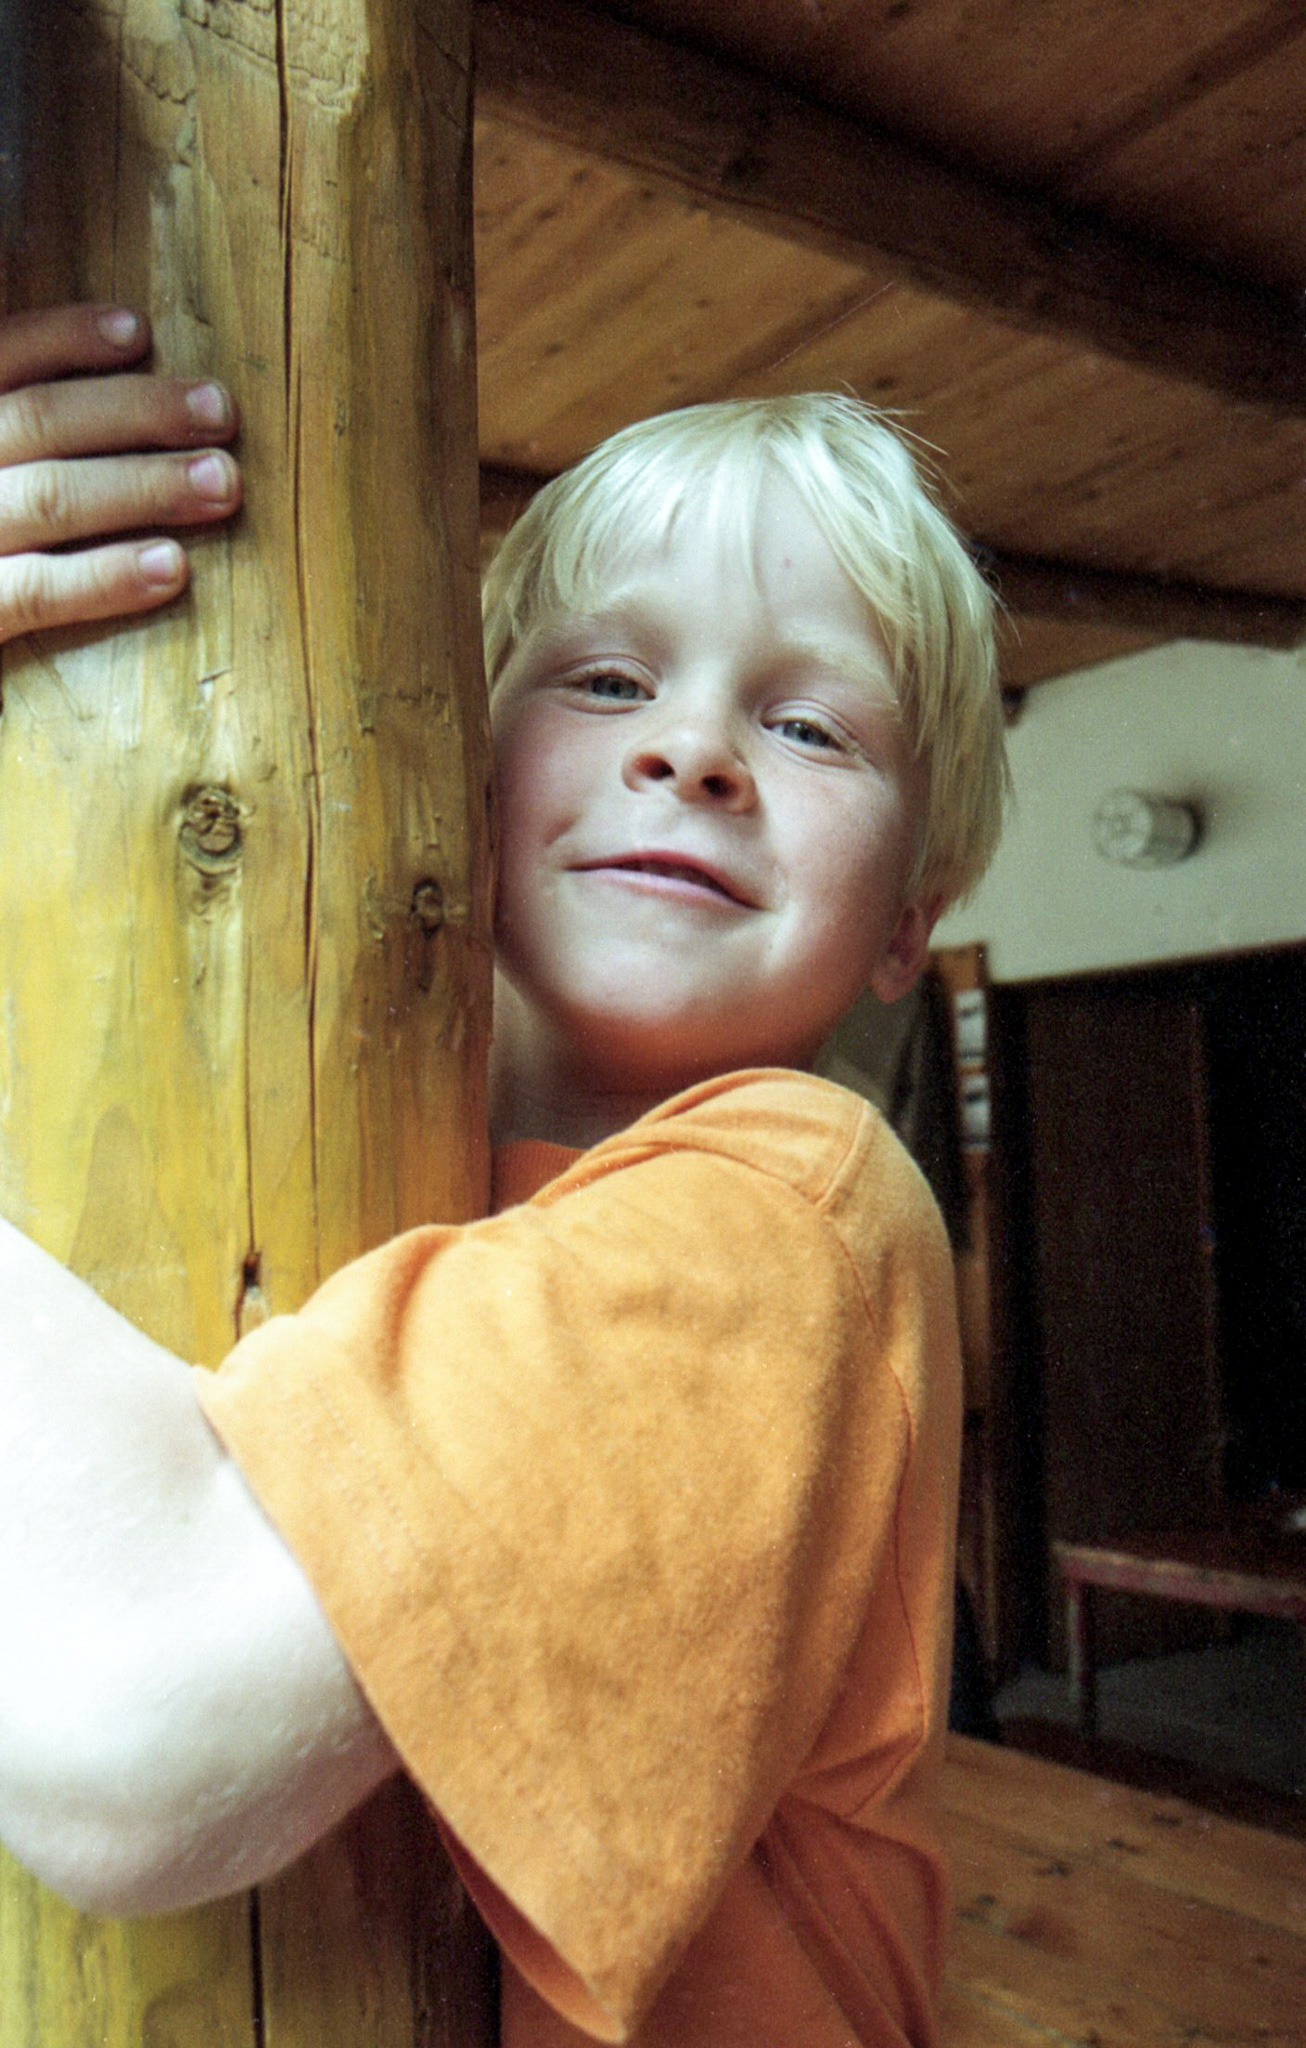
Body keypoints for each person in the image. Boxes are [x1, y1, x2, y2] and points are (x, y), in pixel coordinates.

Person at [0, 303, 1006, 2047]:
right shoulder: (327, 1144)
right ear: (448, 768)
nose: (690, 751)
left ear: (907, 923)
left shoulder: (789, 1205)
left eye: (810, 727)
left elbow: (129, 1734)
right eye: (607, 681)